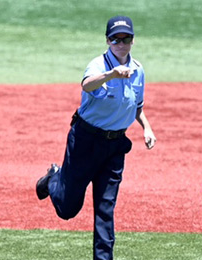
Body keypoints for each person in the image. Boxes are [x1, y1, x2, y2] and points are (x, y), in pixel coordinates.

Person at [35, 15, 156, 260]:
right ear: (108, 40)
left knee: (105, 208)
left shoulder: (139, 70)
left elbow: (137, 106)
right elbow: (87, 85)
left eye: (126, 38)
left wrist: (147, 127)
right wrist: (111, 74)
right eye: (115, 38)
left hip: (115, 147)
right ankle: (53, 180)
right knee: (68, 209)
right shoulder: (99, 65)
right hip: (86, 141)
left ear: (133, 40)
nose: (121, 43)